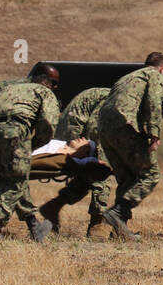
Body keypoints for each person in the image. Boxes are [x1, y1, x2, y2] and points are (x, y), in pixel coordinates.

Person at [0, 63, 61, 242]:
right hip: (13, 131)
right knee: (16, 180)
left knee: (13, 178)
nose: (55, 87)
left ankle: (34, 225)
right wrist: (32, 144)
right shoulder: (44, 93)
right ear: (44, 81)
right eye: (54, 83)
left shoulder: (8, 89)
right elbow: (48, 124)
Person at [98, 53, 163, 241]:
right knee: (151, 173)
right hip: (124, 125)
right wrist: (155, 134)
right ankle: (118, 212)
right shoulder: (154, 75)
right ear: (162, 68)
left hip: (105, 128)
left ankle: (119, 232)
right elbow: (153, 103)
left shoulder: (129, 77)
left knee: (127, 177)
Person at [38, 86, 112, 236]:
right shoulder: (112, 101)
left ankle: (53, 206)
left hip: (78, 131)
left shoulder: (122, 100)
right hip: (73, 133)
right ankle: (97, 223)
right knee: (100, 168)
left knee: (90, 173)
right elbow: (95, 130)